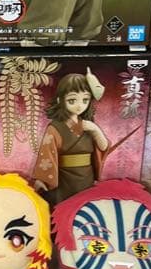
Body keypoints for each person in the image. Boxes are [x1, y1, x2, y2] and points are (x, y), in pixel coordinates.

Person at [32, 69, 108, 204]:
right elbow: (47, 154)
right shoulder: (55, 127)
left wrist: (96, 130)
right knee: (63, 207)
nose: (80, 105)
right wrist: (42, 179)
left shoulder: (88, 125)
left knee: (83, 207)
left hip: (86, 176)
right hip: (64, 177)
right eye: (72, 100)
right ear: (60, 100)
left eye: (85, 100)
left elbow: (103, 147)